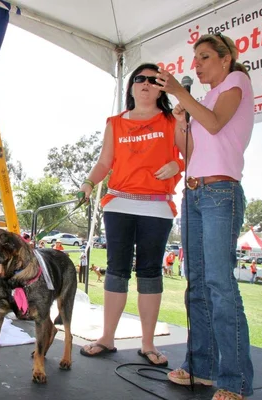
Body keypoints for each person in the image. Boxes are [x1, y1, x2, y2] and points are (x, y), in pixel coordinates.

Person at [156, 33, 255, 399]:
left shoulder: (235, 82)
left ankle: (235, 380)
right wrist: (182, 120)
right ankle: (202, 367)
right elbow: (190, 148)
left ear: (226, 59)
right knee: (196, 284)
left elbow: (215, 124)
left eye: (204, 57)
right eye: (195, 58)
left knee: (219, 285)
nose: (196, 63)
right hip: (195, 192)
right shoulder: (205, 99)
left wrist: (182, 97)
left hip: (220, 193)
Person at [78, 62, 187, 368]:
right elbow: (104, 162)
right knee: (116, 271)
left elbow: (191, 153)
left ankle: (148, 344)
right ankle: (107, 338)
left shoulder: (171, 119)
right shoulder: (115, 122)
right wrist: (88, 183)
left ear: (161, 87)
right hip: (119, 205)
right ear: (131, 86)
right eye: (140, 78)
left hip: (157, 206)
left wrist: (178, 165)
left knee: (150, 273)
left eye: (154, 80)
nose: (146, 83)